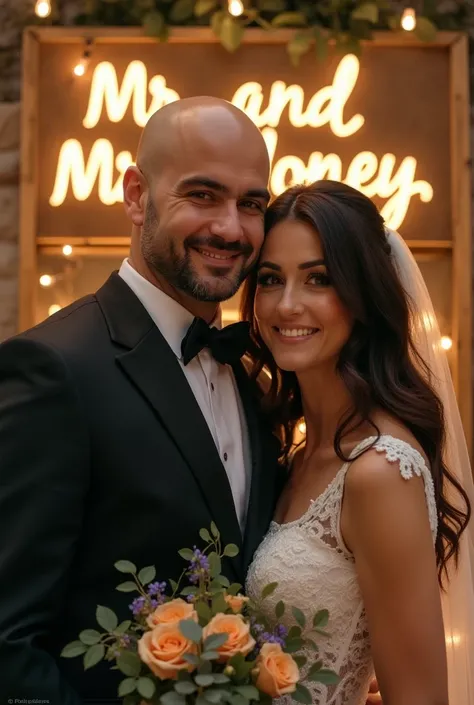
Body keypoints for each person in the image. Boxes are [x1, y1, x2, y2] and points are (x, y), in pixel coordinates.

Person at [0, 97, 283, 703]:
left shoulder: (257, 380)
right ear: (136, 195)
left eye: (251, 204)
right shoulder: (54, 369)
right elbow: (8, 645)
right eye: (202, 195)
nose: (231, 228)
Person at [242, 180, 474, 705]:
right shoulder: (294, 454)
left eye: (318, 279)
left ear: (363, 294)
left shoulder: (380, 471)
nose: (286, 305)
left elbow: (419, 698)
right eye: (270, 279)